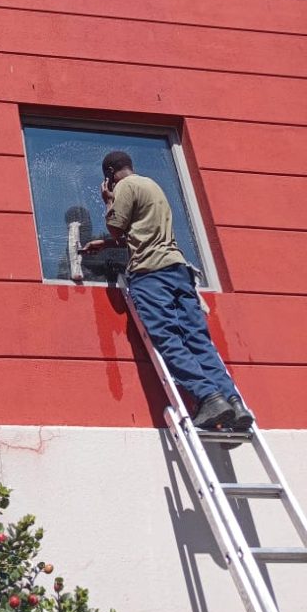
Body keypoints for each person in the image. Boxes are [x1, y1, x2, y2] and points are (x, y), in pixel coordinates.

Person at [80, 150, 254, 432]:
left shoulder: (125, 186)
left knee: (168, 337)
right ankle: (233, 401)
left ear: (110, 173)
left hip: (151, 274)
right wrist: (107, 245)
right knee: (197, 339)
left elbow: (115, 227)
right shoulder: (153, 186)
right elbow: (143, 234)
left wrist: (108, 201)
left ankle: (208, 398)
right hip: (178, 270)